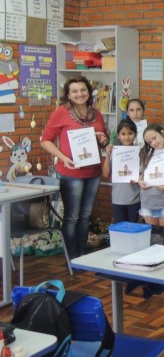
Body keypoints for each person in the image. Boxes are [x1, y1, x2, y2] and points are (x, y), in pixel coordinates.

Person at [41, 76, 109, 258]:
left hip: (93, 172)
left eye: (83, 90)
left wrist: (103, 139)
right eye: (75, 91)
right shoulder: (61, 112)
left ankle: (81, 252)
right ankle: (71, 255)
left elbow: (103, 141)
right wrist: (62, 157)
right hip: (71, 172)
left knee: (86, 215)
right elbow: (45, 140)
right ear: (69, 95)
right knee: (72, 216)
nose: (80, 94)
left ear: (89, 92)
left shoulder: (97, 114)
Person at [103, 119, 140, 223]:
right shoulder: (115, 153)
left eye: (130, 133)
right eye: (123, 134)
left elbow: (143, 175)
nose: (127, 137)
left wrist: (138, 178)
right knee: (120, 229)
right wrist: (108, 155)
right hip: (118, 199)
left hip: (135, 199)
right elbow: (105, 174)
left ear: (135, 134)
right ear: (118, 136)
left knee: (134, 229)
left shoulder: (140, 153)